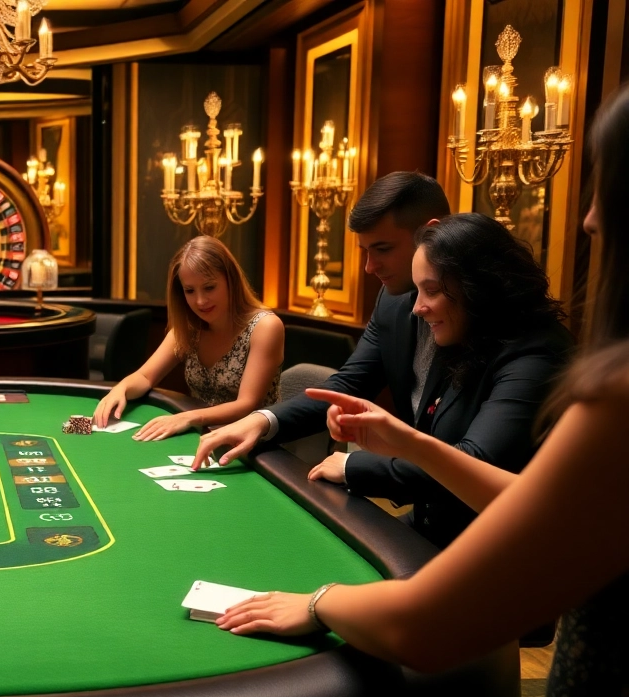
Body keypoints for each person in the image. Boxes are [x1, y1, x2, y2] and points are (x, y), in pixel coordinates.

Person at [217, 85, 629, 697]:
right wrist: (278, 422)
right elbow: (532, 504)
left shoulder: (599, 386)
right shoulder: (406, 313)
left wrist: (320, 603)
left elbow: (427, 627)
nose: (586, 220)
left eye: (606, 187)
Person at [193, 172, 568, 547]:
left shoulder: (525, 347)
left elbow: (473, 464)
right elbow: (347, 385)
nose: (370, 267)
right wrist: (263, 419)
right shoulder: (403, 304)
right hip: (431, 520)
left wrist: (356, 466)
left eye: (383, 248)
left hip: (493, 544)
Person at [93, 236, 283, 440]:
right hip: (201, 436)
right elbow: (146, 377)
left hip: (256, 445)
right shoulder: (189, 328)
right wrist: (121, 388)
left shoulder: (265, 327)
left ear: (231, 280)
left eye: (209, 287)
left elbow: (247, 405)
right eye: (190, 290)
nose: (200, 301)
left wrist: (187, 418)